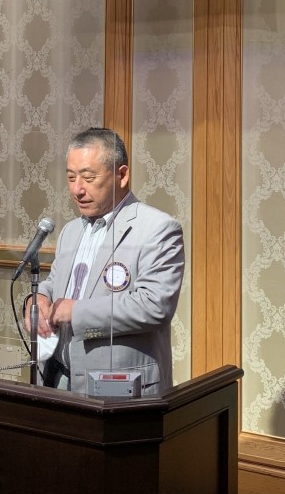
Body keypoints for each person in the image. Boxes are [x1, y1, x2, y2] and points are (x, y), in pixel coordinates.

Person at [29, 127, 184, 396]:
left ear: (122, 175)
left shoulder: (157, 228)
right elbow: (56, 282)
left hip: (118, 387)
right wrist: (39, 298)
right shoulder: (70, 231)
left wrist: (75, 312)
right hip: (58, 378)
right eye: (71, 177)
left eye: (88, 178)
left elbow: (154, 305)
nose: (77, 189)